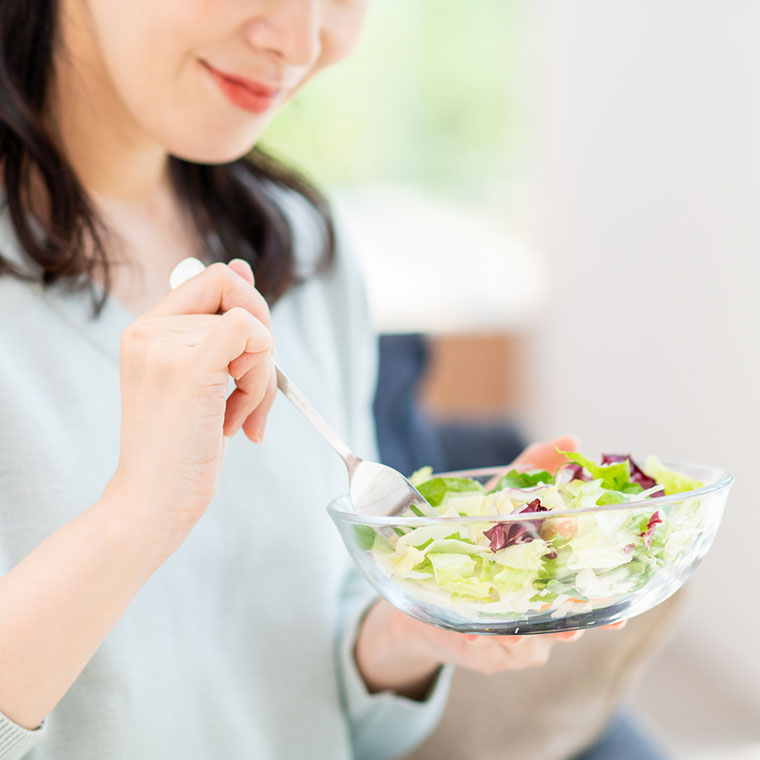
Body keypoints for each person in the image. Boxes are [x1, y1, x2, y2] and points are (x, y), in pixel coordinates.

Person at [0, 2, 622, 759]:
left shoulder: (303, 249)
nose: (299, 42)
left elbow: (326, 703)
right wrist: (133, 519)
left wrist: (409, 624)